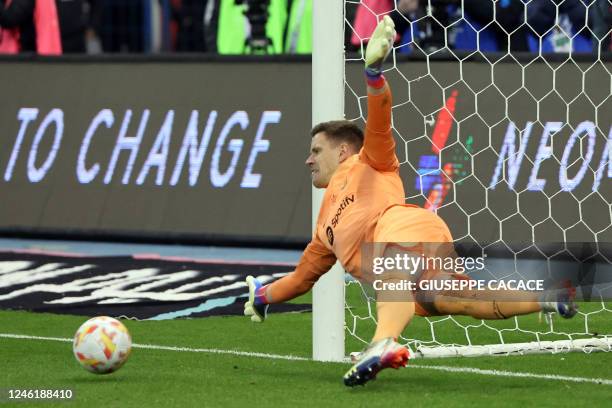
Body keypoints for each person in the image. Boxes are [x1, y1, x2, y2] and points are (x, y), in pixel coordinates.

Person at [243, 16, 577, 387]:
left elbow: (380, 119)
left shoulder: (371, 161)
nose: (308, 160)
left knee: (390, 265)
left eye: (316, 151)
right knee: (457, 300)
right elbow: (300, 280)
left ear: (342, 152)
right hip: (412, 257)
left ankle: (382, 342)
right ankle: (548, 297)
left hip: (404, 228)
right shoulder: (324, 229)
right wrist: (261, 295)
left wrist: (373, 76)